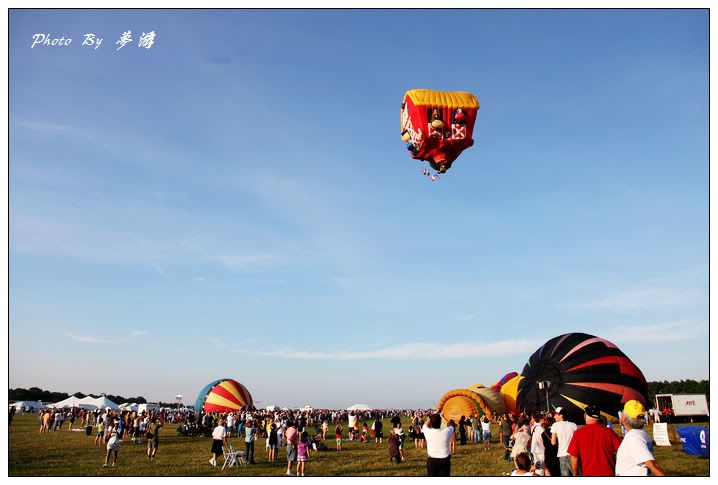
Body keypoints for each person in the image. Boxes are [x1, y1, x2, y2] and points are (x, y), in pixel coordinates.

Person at [567, 404, 622, 476]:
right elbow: (622, 451)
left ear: (585, 416)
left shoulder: (578, 434)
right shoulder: (609, 432)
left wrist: (575, 474)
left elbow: (574, 457)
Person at [615, 400, 666, 476]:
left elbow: (652, 465)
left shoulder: (633, 437)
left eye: (622, 413)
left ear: (624, 419)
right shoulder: (641, 434)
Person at [422, 412, 454, 477]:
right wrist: (442, 417)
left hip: (432, 460)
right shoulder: (446, 432)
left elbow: (425, 425)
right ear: (440, 423)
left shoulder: (427, 431)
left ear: (431, 423)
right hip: (444, 460)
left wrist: (432, 416)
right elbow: (450, 425)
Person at [550, 406, 577, 476]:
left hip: (562, 455)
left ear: (561, 415)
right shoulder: (573, 425)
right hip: (573, 455)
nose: (554, 416)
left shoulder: (555, 425)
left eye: (556, 415)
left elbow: (553, 442)